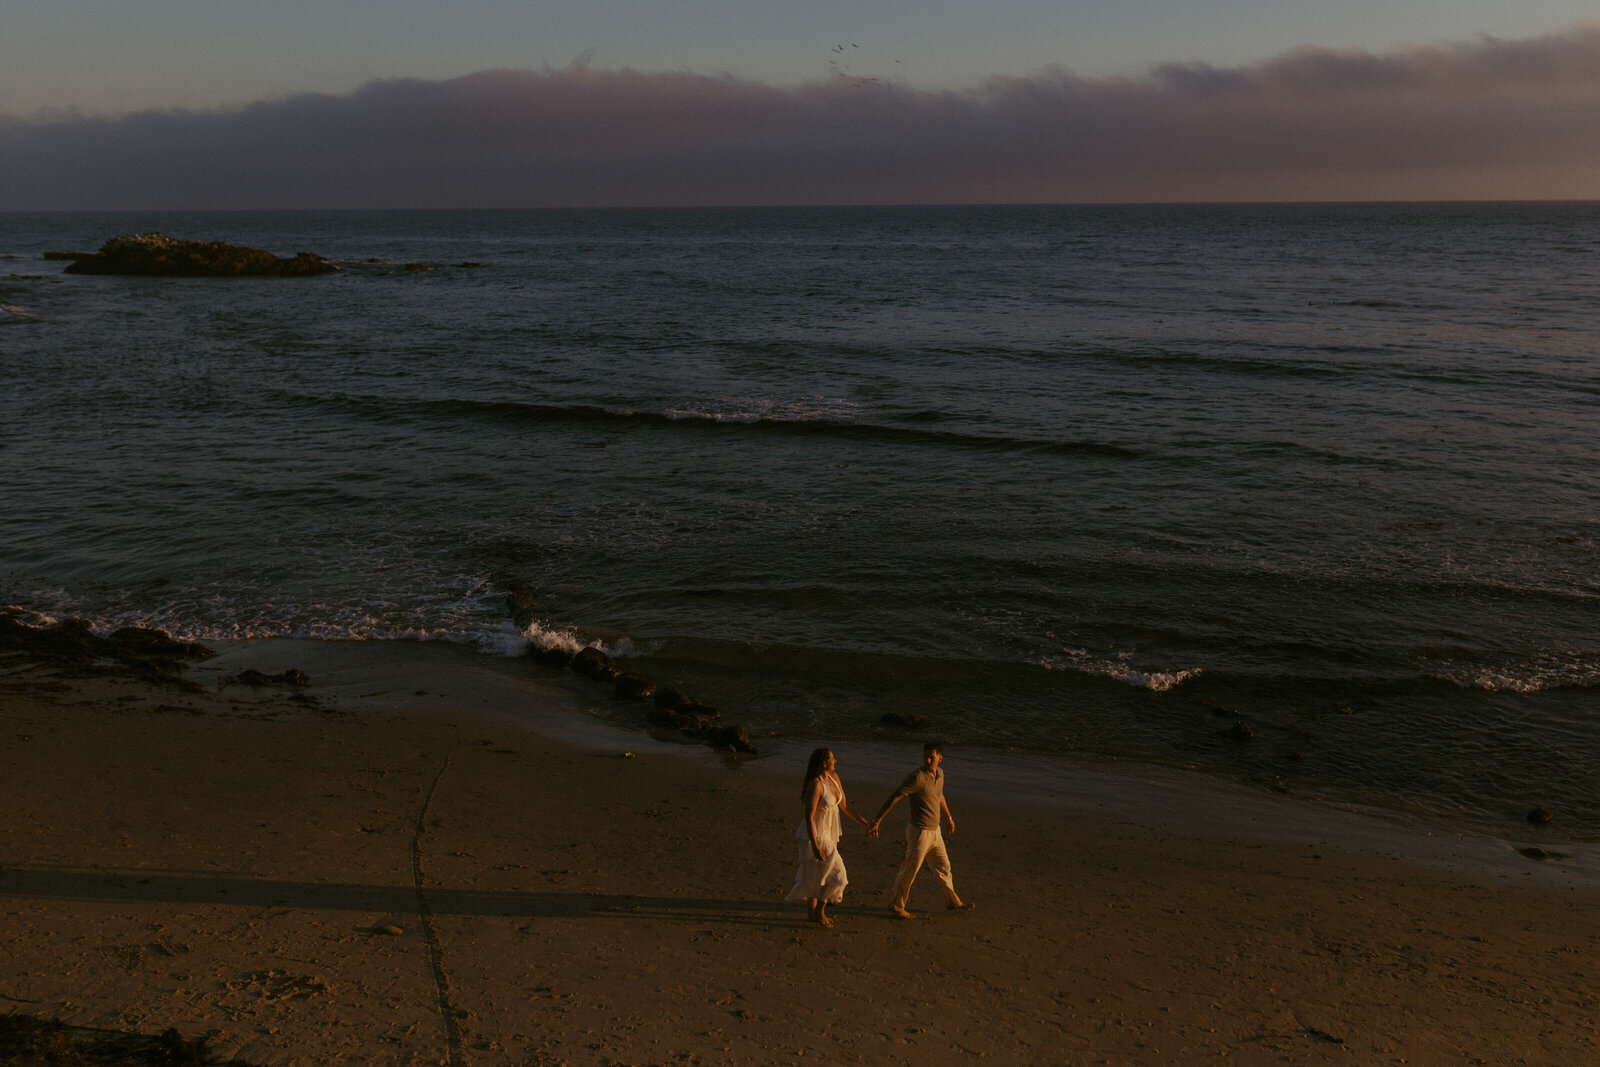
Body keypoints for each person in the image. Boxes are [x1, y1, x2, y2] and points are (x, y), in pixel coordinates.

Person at [869, 740, 973, 919]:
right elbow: (895, 797)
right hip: (919, 833)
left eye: (931, 757)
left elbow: (939, 795)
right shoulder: (917, 778)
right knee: (910, 870)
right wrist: (877, 820)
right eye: (925, 757)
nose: (927, 760)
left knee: (944, 867)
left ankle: (952, 901)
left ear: (940, 758)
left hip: (936, 832)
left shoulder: (940, 774)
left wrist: (948, 818)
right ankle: (896, 906)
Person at [785, 747, 875, 927]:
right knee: (839, 875)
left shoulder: (834, 777)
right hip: (816, 835)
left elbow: (844, 806)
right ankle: (819, 912)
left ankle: (811, 914)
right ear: (823, 763)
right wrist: (815, 845)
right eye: (832, 758)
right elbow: (809, 817)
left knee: (818, 873)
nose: (835, 761)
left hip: (829, 833)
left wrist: (863, 822)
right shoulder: (816, 785)